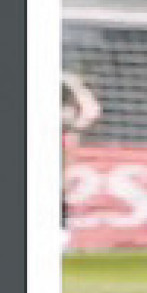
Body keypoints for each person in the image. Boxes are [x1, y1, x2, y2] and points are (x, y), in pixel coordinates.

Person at [62, 71, 102, 250]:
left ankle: (61, 230)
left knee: (61, 184)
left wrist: (76, 126)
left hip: (63, 136)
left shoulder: (67, 80)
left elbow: (91, 110)